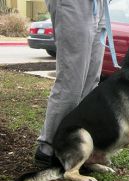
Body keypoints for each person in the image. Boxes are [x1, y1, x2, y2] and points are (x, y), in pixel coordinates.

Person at [35, 0, 107, 168]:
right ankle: (48, 148)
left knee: (91, 82)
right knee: (71, 83)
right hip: (74, 4)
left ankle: (75, 148)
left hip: (100, 6)